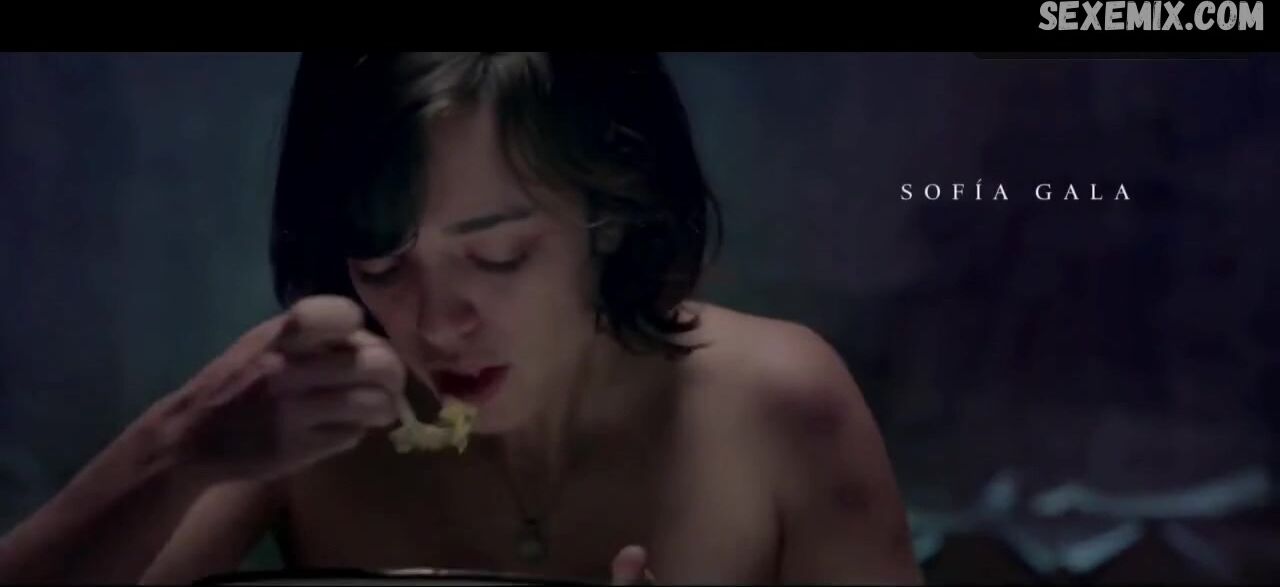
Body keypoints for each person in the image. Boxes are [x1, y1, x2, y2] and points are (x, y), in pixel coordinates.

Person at [0, 52, 921, 585]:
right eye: (383, 266)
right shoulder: (301, 404)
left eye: (499, 256)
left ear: (613, 213)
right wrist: (181, 446)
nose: (438, 327)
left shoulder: (780, 410)